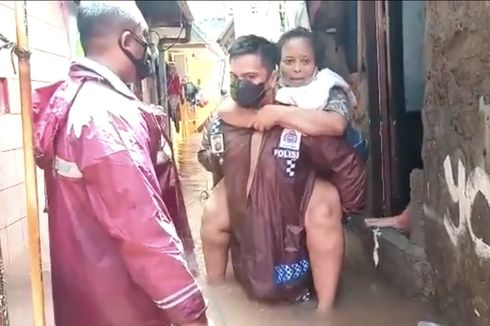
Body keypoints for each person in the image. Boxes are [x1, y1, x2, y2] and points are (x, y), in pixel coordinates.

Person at [32, 2, 210, 325]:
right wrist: (192, 313)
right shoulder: (107, 116)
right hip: (122, 305)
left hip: (84, 300)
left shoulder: (71, 101)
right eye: (145, 38)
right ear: (128, 42)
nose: (148, 50)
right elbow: (143, 232)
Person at [199, 34, 366, 313]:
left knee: (323, 210)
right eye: (235, 76)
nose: (242, 84)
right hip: (250, 188)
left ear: (272, 76)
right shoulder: (229, 113)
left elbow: (337, 136)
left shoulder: (318, 97)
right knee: (214, 211)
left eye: (251, 76)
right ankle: (216, 297)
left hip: (299, 184)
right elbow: (209, 153)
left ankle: (325, 312)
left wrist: (278, 115)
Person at [167, 63, 183, 132]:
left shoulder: (173, 77)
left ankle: (174, 120)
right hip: (172, 94)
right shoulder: (173, 77)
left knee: (173, 108)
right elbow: (178, 87)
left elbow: (177, 87)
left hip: (172, 95)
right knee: (173, 108)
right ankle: (174, 120)